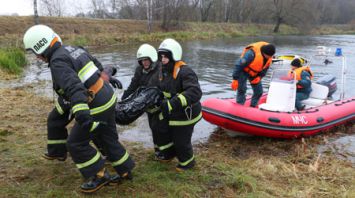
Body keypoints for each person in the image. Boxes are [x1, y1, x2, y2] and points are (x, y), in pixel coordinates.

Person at [23, 24, 135, 193]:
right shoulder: (73, 49)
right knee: (108, 138)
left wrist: (82, 115)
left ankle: (99, 175)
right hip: (109, 97)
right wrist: (107, 76)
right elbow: (97, 66)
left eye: (35, 52)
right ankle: (126, 171)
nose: (37, 57)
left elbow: (74, 88)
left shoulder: (58, 61)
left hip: (97, 104)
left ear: (42, 46)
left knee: (75, 143)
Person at [154, 38, 202, 172]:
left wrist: (171, 103)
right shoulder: (163, 70)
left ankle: (188, 163)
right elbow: (159, 87)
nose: (162, 59)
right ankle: (169, 154)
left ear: (174, 55)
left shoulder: (185, 71)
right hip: (172, 111)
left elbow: (195, 92)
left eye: (165, 56)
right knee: (159, 130)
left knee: (181, 141)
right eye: (161, 56)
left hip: (186, 114)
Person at [121, 43, 162, 156]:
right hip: (148, 105)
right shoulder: (139, 70)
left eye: (146, 60)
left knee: (160, 127)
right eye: (142, 60)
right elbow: (133, 85)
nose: (144, 62)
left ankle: (165, 150)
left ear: (152, 58)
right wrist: (123, 98)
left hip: (160, 104)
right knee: (153, 127)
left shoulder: (160, 69)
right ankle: (158, 150)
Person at [231, 41, 276, 107]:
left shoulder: (269, 56)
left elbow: (265, 68)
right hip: (243, 71)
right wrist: (235, 79)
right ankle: (240, 106)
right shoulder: (251, 54)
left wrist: (260, 77)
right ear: (264, 53)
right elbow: (239, 65)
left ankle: (253, 106)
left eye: (271, 56)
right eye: (269, 56)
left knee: (259, 91)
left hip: (255, 73)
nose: (270, 57)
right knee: (242, 89)